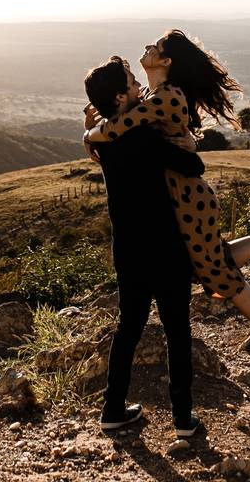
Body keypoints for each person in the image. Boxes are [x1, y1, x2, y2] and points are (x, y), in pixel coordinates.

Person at [84, 29, 250, 389]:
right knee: (211, 263)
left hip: (186, 199)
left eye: (156, 47)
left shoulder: (165, 96)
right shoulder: (158, 95)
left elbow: (118, 126)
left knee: (215, 274)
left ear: (166, 62)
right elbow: (133, 124)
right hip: (183, 198)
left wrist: (87, 137)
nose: (147, 47)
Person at [83, 55, 204, 436]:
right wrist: (187, 144)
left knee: (129, 328)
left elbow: (96, 132)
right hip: (165, 247)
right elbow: (194, 168)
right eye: (133, 83)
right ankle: (183, 419)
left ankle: (113, 409)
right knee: (177, 330)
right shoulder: (144, 135)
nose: (140, 88)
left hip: (128, 249)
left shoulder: (104, 139)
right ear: (121, 98)